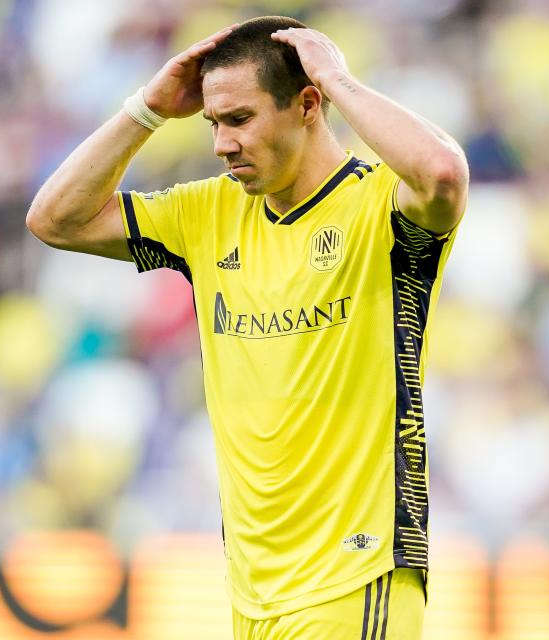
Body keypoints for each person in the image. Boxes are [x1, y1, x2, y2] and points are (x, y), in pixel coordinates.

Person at [26, 15, 468, 640]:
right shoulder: (205, 213)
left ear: (308, 105)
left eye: (240, 120)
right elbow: (56, 220)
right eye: (213, 123)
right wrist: (147, 109)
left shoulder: (382, 209)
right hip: (253, 594)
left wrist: (337, 76)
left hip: (357, 578)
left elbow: (443, 173)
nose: (221, 144)